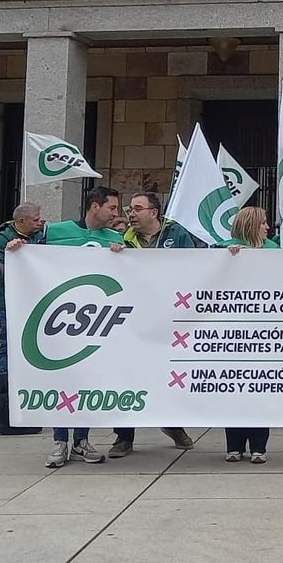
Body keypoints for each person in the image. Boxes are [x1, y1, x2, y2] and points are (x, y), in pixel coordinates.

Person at [7, 186, 125, 468]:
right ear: (95, 207)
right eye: (112, 208)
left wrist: (124, 255)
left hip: (98, 323)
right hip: (60, 319)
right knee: (61, 379)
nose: (116, 214)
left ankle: (82, 440)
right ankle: (60, 441)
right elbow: (28, 249)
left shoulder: (115, 238)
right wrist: (16, 248)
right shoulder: (55, 231)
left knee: (87, 379)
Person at [111, 190, 197, 456]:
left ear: (153, 212)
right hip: (133, 321)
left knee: (170, 374)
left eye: (137, 208)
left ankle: (173, 425)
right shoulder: (121, 240)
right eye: (130, 209)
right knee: (129, 376)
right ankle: (124, 436)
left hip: (171, 318)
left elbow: (196, 266)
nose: (131, 214)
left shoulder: (178, 235)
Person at [221, 206, 277, 463]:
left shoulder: (274, 250)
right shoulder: (223, 247)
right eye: (263, 223)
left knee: (259, 389)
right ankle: (234, 445)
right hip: (231, 332)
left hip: (264, 331)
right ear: (251, 225)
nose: (268, 227)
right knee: (233, 388)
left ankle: (258, 446)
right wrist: (227, 258)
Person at [0, 202, 44, 434]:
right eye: (35, 219)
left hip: (36, 303)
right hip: (10, 303)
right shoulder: (2, 239)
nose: (39, 222)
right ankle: (1, 397)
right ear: (21, 221)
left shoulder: (42, 237)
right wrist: (15, 255)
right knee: (8, 348)